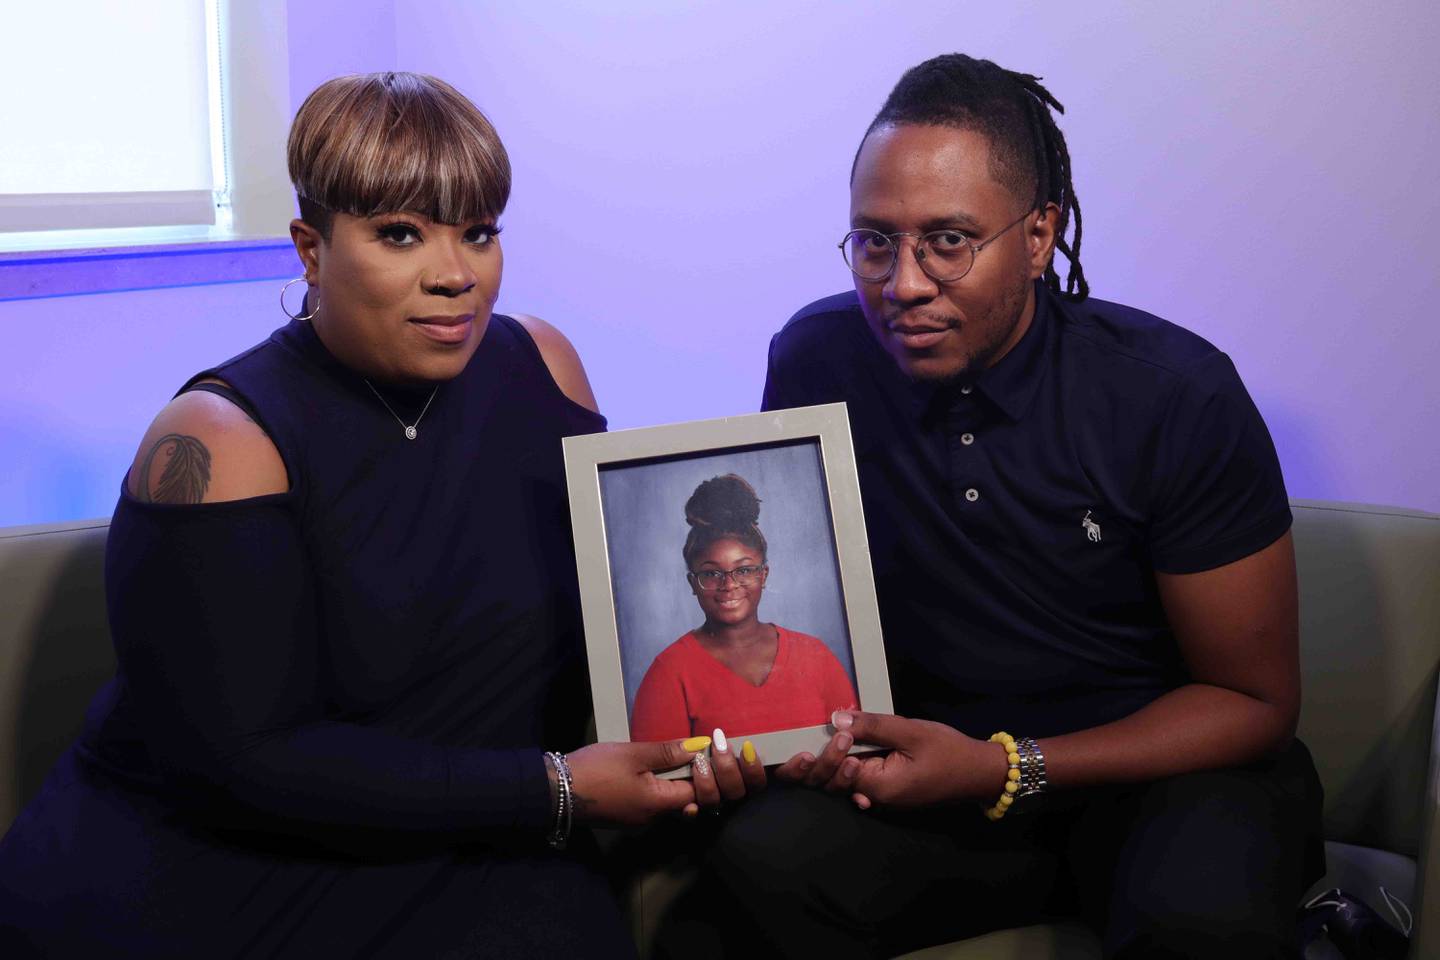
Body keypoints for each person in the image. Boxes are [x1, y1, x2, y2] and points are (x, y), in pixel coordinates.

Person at [0, 72, 703, 959]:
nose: (455, 276)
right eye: (401, 234)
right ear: (311, 247)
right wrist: (556, 789)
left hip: (477, 835)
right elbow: (247, 765)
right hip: (232, 869)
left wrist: (706, 721)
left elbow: (597, 630)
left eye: (479, 234)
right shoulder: (220, 440)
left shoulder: (546, 369)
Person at [681, 54, 1326, 959]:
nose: (902, 283)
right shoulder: (818, 358)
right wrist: (800, 730)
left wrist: (1005, 766)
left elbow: (1253, 699)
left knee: (1197, 926)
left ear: (1038, 235)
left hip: (1163, 774)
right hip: (933, 776)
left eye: (948, 240)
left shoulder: (1174, 395)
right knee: (743, 879)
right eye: (875, 241)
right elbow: (802, 601)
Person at [629, 474, 858, 744]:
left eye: (744, 569)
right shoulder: (668, 672)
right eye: (711, 573)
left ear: (764, 575)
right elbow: (656, 779)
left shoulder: (815, 654)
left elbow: (858, 750)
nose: (729, 584)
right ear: (693, 583)